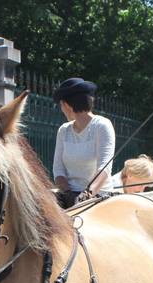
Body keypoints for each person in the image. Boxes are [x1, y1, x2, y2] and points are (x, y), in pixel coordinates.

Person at [51, 77, 115, 208]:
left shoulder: (102, 125)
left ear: (67, 105)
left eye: (61, 105)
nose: (61, 109)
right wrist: (68, 193)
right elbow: (58, 170)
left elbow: (104, 168)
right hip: (68, 196)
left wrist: (87, 194)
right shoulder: (63, 130)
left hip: (99, 196)